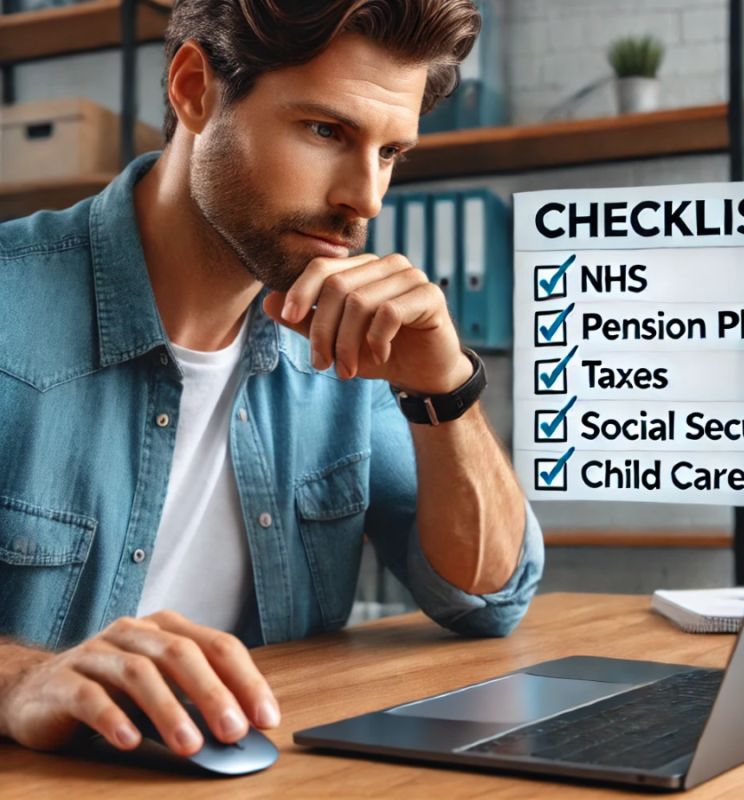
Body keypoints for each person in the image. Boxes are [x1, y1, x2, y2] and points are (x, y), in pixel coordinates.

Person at [0, 0, 543, 761]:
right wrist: (18, 679)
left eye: (391, 154)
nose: (368, 198)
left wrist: (442, 388)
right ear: (194, 89)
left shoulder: (345, 346)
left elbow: (487, 597)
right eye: (328, 131)